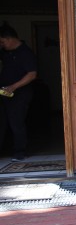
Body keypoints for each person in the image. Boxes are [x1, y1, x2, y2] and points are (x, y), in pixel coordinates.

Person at [0, 22, 37, 162]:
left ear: (9, 39)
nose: (2, 45)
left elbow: (32, 74)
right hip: (4, 93)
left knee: (16, 122)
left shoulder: (25, 53)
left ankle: (20, 152)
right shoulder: (5, 52)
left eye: (2, 42)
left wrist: (13, 87)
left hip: (20, 94)